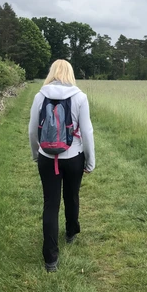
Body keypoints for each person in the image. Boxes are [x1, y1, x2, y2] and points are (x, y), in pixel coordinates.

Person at [28, 60, 95, 272]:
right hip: (74, 156)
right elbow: (87, 132)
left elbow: (32, 131)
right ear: (70, 74)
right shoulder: (80, 97)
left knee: (50, 204)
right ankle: (71, 232)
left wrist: (36, 154)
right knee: (72, 195)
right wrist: (90, 161)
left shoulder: (40, 95)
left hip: (47, 157)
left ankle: (50, 260)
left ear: (52, 73)